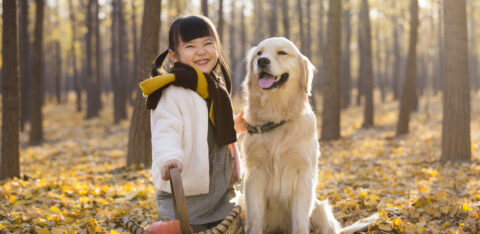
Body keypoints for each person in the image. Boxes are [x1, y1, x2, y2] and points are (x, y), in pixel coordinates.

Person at [139, 15, 246, 232]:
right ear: (174, 55)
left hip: (220, 189)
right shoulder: (172, 91)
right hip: (186, 194)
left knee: (229, 227)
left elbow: (209, 129)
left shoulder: (214, 88)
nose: (201, 51)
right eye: (190, 46)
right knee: (187, 228)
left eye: (208, 43)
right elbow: (165, 130)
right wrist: (169, 157)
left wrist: (234, 125)